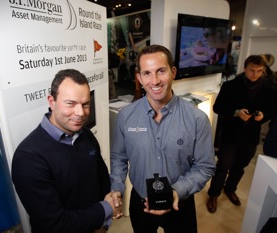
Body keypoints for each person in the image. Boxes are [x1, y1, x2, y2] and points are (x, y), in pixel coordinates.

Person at [110, 44, 216, 233]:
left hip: (180, 204)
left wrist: (177, 191)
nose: (155, 81)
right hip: (140, 203)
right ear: (139, 78)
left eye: (161, 71)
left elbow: (204, 167)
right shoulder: (126, 117)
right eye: (147, 73)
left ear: (173, 72)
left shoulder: (197, 119)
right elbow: (119, 157)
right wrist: (117, 188)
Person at [12, 69, 122, 233]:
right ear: (52, 101)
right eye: (70, 103)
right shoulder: (28, 158)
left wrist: (103, 224)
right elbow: (54, 224)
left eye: (85, 104)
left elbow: (101, 177)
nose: (80, 113)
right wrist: (106, 209)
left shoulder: (86, 135)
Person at [206, 55, 275, 213]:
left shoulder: (268, 90)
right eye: (252, 70)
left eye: (259, 71)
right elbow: (218, 108)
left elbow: (271, 111)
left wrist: (263, 115)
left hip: (251, 136)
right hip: (231, 134)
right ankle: (214, 194)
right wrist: (236, 112)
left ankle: (230, 189)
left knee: (240, 167)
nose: (255, 74)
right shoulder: (230, 86)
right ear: (245, 69)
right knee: (223, 166)